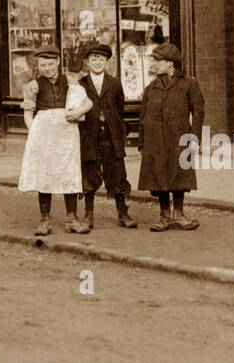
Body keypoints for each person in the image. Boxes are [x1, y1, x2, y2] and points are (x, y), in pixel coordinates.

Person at [18, 48, 90, 236]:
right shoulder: (33, 86)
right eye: (43, 65)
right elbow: (28, 112)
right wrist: (34, 133)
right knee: (44, 174)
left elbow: (87, 102)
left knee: (69, 172)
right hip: (44, 132)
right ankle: (44, 220)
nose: (47, 69)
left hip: (67, 131)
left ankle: (72, 218)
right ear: (38, 66)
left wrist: (78, 112)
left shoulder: (70, 81)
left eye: (51, 64)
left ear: (58, 62)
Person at [138, 43, 204, 232]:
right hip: (155, 140)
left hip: (179, 138)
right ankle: (164, 216)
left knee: (179, 174)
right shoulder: (151, 88)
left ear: (171, 63)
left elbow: (199, 112)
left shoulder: (189, 84)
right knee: (159, 176)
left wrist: (195, 137)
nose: (155, 64)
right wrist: (142, 142)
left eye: (158, 61)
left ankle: (179, 214)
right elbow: (142, 117)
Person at [77, 43, 137, 231]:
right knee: (89, 173)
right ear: (87, 62)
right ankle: (88, 214)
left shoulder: (114, 83)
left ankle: (122, 212)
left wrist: (117, 130)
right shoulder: (81, 84)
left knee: (117, 174)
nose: (97, 62)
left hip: (111, 137)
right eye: (93, 59)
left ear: (107, 62)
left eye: (101, 59)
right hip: (89, 136)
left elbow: (119, 110)